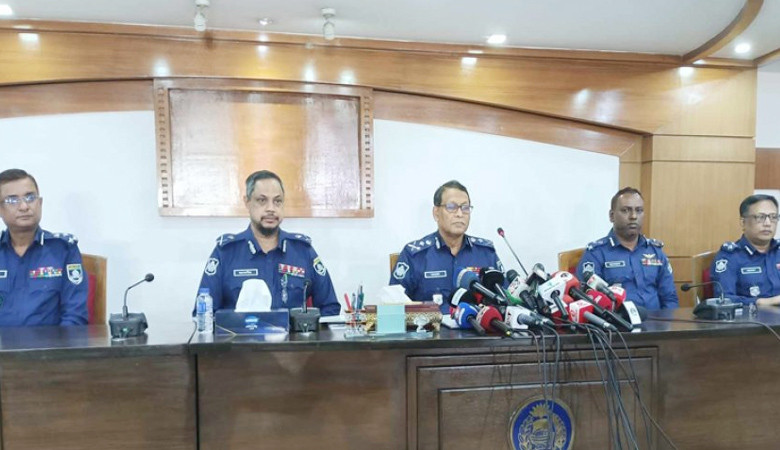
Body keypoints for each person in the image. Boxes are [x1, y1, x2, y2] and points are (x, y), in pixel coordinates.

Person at [196, 170, 340, 316]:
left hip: (292, 332)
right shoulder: (226, 253)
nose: (271, 208)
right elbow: (204, 314)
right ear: (247, 202)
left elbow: (330, 308)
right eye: (262, 200)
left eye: (277, 201)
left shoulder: (303, 251)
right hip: (240, 332)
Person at [389, 180, 503, 312]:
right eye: (451, 207)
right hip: (432, 324)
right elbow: (393, 305)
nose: (460, 214)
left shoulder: (486, 253)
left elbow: (505, 299)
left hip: (474, 324)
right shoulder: (415, 255)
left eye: (465, 208)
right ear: (436, 213)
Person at [0, 169, 88, 326]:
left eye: (30, 198)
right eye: (12, 200)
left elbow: (74, 316)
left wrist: (58, 343)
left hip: (49, 342)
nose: (24, 206)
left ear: (40, 203)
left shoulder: (63, 250)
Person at [576, 187, 678, 310]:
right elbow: (588, 300)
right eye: (625, 210)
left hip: (658, 320)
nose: (633, 216)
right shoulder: (596, 253)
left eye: (639, 210)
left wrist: (668, 321)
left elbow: (670, 298)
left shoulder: (655, 251)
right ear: (612, 216)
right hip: (618, 321)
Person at [710, 194, 780, 307]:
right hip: (753, 316)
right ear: (743, 223)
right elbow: (723, 299)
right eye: (760, 217)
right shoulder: (730, 257)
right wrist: (761, 302)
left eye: (773, 217)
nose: (768, 223)